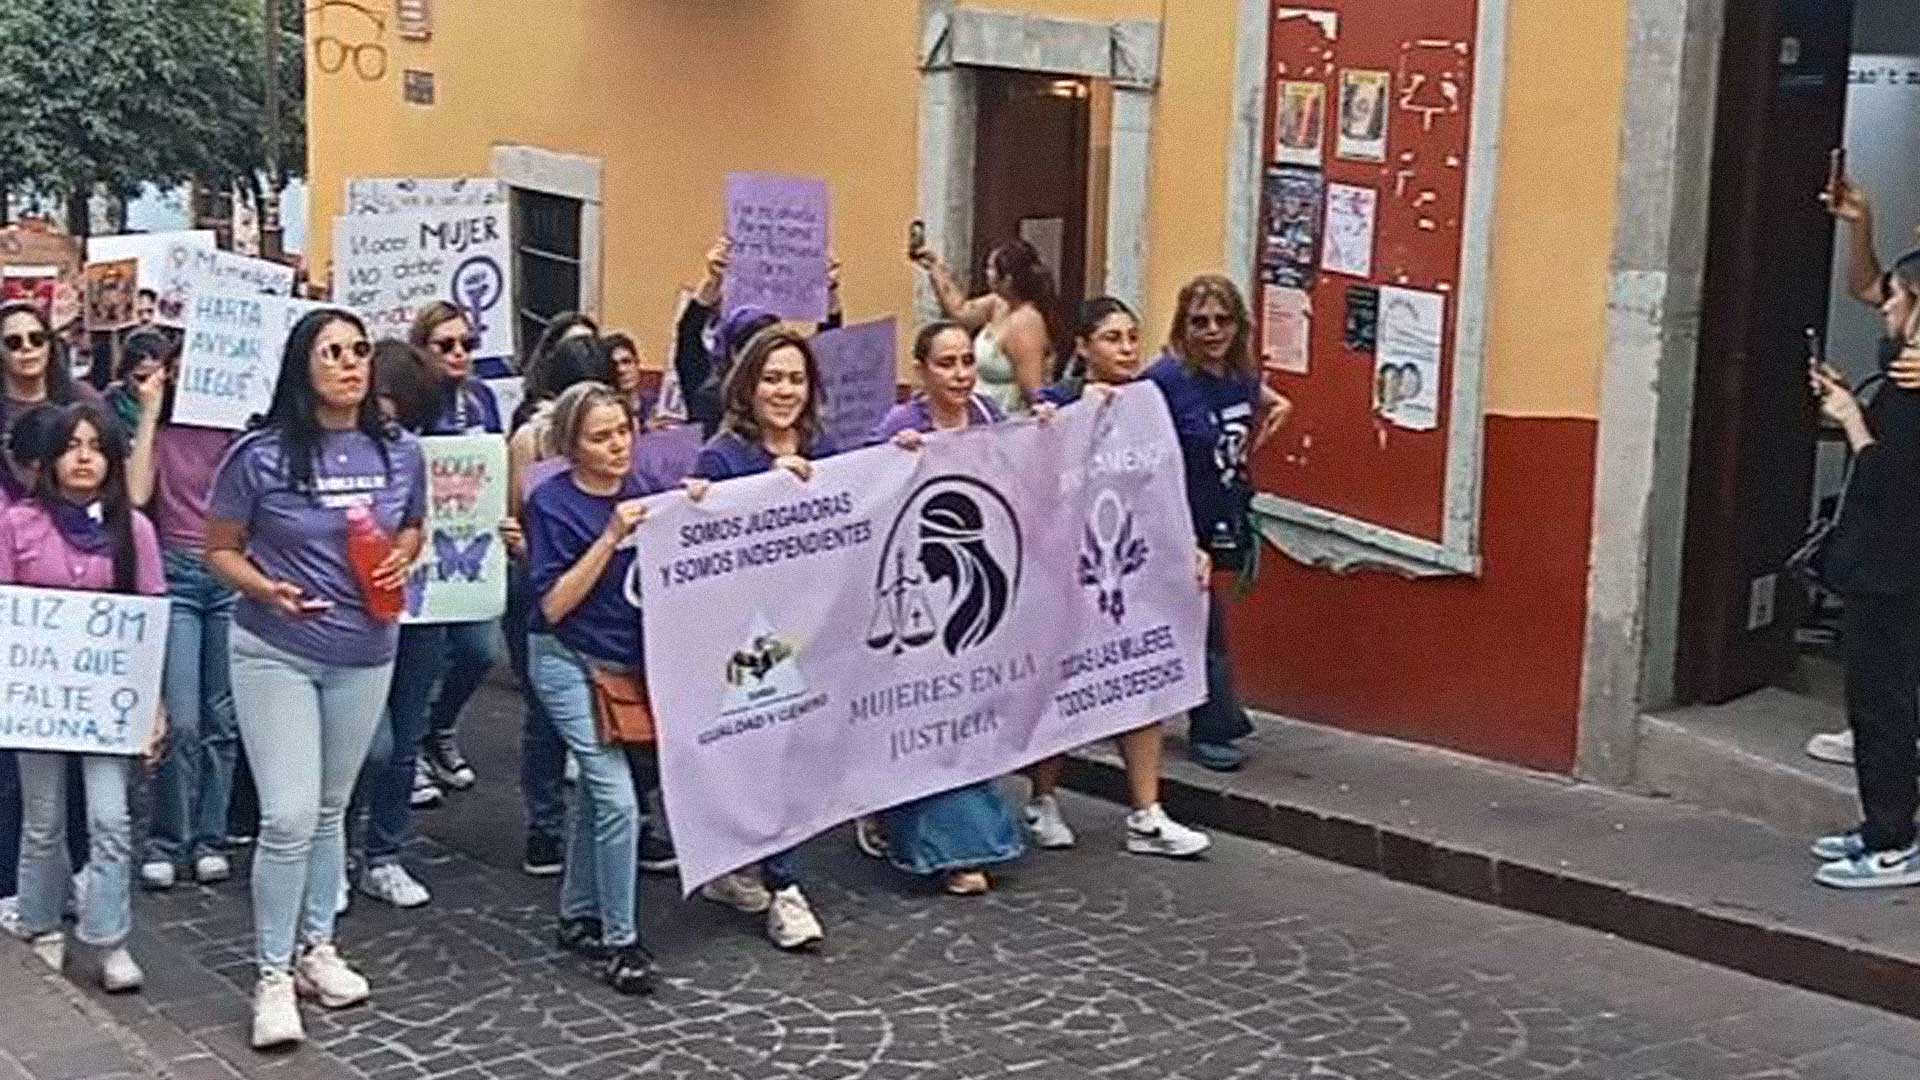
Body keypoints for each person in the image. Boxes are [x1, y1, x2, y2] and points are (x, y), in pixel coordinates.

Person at [205, 309, 426, 1049]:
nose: (350, 364)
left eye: (359, 351)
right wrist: (266, 588)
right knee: (289, 816)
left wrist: (405, 553)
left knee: (332, 808)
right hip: (276, 648)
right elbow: (221, 549)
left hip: (366, 648)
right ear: (303, 366)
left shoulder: (401, 451)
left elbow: (413, 525)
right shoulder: (260, 456)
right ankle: (270, 976)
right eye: (332, 352)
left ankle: (317, 948)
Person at [1018, 298, 1215, 857]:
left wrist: (1191, 543)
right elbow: (1032, 467)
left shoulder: (1152, 401)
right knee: (1068, 679)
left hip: (1136, 564)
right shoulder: (1057, 402)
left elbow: (1170, 480)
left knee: (1143, 674)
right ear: (1083, 347)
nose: (1126, 348)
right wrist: (1073, 413)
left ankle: (1146, 811)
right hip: (1070, 570)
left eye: (1132, 336)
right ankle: (1043, 797)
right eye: (1111, 338)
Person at [0, 401, 168, 992]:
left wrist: (153, 707)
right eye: (72, 446)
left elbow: (150, 622)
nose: (83, 458)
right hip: (39, 704)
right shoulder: (17, 525)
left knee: (110, 818)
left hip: (108, 705)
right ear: (50, 459)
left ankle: (109, 937)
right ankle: (40, 923)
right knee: (43, 820)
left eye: (95, 447)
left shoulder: (135, 531)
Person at [854, 321, 1027, 895]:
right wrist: (891, 459)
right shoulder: (898, 426)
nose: (959, 375)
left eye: (966, 363)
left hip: (977, 577)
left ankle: (978, 840)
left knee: (970, 716)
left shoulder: (989, 418)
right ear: (922, 370)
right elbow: (867, 497)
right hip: (918, 583)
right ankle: (934, 847)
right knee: (924, 720)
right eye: (946, 364)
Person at [680, 325, 832, 949]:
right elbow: (705, 534)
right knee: (768, 753)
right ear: (748, 385)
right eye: (772, 378)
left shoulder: (823, 445)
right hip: (745, 631)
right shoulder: (722, 456)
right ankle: (785, 888)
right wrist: (764, 486)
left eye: (795, 378)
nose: (784, 390)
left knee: (785, 753)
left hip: (809, 619)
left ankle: (734, 862)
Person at [524, 381, 659, 994]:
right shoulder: (552, 503)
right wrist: (609, 537)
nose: (616, 447)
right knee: (617, 798)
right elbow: (553, 604)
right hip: (565, 658)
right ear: (571, 446)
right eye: (600, 437)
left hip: (623, 662)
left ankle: (577, 912)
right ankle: (620, 939)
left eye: (623, 432)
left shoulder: (645, 490)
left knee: (602, 800)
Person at [109, 330, 245, 892]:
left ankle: (209, 836)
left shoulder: (240, 428)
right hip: (178, 575)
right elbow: (138, 494)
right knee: (182, 717)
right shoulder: (160, 428)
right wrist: (149, 412)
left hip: (231, 573)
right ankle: (169, 838)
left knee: (222, 718)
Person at [1147, 276, 1290, 773]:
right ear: (1183, 327)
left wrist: (1275, 405)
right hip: (1173, 521)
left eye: (1222, 320)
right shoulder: (1165, 381)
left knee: (1190, 622)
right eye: (1200, 321)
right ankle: (1214, 725)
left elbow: (1259, 397)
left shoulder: (1240, 376)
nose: (1212, 331)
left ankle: (1204, 717)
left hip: (1220, 518)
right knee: (1205, 624)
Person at [347, 340, 460, 910]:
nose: (388, 410)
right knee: (366, 743)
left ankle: (383, 853)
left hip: (419, 609)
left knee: (405, 733)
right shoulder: (338, 450)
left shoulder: (411, 452)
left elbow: (418, 520)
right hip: (355, 614)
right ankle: (337, 847)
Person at [505, 332, 599, 877]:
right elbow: (516, 510)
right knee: (543, 712)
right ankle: (545, 823)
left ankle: (601, 824)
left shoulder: (615, 432)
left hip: (601, 590)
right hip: (543, 582)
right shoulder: (531, 438)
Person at [404, 302, 502, 807]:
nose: (459, 353)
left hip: (470, 546)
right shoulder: (412, 399)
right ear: (423, 349)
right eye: (446, 345)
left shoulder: (482, 398)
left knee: (478, 649)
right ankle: (414, 745)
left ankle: (440, 727)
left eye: (467, 343)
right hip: (423, 549)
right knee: (422, 655)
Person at [671, 237, 843, 437]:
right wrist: (713, 281)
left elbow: (827, 345)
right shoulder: (710, 395)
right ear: (735, 353)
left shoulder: (793, 395)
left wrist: (828, 290)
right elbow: (689, 336)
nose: (784, 389)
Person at [914, 238, 1058, 415]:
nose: (986, 272)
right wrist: (936, 268)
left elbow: (1033, 390)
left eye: (991, 268)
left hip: (1006, 419)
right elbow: (961, 311)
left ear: (1007, 279)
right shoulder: (998, 304)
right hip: (979, 413)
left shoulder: (1025, 322)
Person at [2, 301, 102, 503]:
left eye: (37, 339)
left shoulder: (83, 398)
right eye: (14, 342)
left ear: (50, 344)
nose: (27, 347)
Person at [593, 332, 656, 427]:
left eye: (626, 362)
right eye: (613, 365)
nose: (621, 370)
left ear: (637, 363)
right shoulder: (600, 411)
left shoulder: (655, 403)